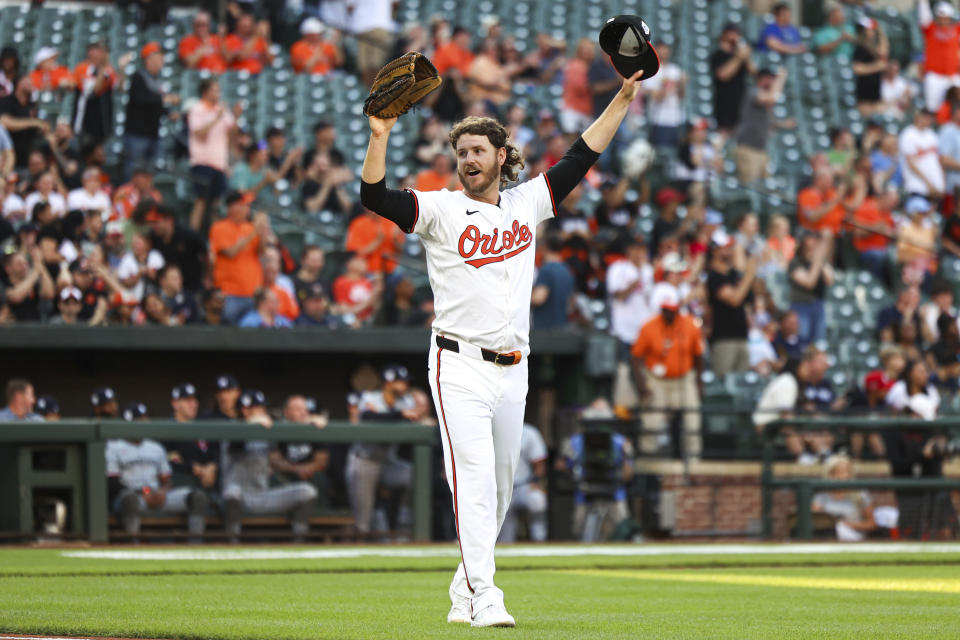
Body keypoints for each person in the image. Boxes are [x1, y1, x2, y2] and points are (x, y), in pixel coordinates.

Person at [359, 56, 646, 627]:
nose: (467, 159)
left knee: (502, 485)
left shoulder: (525, 204)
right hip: (458, 364)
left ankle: (463, 592)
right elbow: (376, 198)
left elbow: (582, 155)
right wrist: (380, 136)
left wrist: (621, 99)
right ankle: (487, 597)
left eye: (477, 151)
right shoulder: (441, 209)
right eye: (461, 152)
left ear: (500, 158)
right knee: (474, 480)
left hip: (515, 368)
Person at [222, 390, 318, 542]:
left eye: (262, 408)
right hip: (240, 498)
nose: (263, 412)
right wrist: (251, 423)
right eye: (258, 408)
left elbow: (279, 455)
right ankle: (232, 542)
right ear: (245, 410)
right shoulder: (231, 427)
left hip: (262, 495)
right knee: (231, 493)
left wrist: (311, 422)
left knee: (307, 491)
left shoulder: (266, 431)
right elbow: (235, 446)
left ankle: (298, 545)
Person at [632, 287, 704, 457]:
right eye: (666, 310)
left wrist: (699, 383)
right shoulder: (649, 326)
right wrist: (642, 384)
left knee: (692, 423)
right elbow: (635, 357)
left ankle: (693, 465)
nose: (669, 314)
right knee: (651, 424)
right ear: (661, 309)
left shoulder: (690, 325)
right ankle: (648, 469)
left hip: (683, 378)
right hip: (656, 380)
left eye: (672, 310)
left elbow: (699, 357)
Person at [346, 364, 417, 535]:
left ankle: (403, 525)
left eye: (406, 382)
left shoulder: (407, 401)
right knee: (363, 520)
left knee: (415, 476)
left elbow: (412, 420)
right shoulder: (369, 398)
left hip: (388, 460)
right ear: (388, 383)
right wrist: (399, 416)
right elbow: (368, 417)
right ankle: (359, 548)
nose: (405, 386)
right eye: (400, 382)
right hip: (364, 459)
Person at [106, 429, 209, 539]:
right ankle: (133, 544)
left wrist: (162, 491)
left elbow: (167, 479)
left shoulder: (155, 447)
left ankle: (196, 544)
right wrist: (142, 494)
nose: (141, 426)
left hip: (157, 495)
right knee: (130, 500)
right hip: (134, 496)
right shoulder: (114, 447)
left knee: (197, 497)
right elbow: (113, 482)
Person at [753, 346, 836, 462]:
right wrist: (805, 432)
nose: (807, 370)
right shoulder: (787, 381)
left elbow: (807, 409)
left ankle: (822, 454)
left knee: (815, 428)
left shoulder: (797, 383)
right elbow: (786, 414)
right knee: (790, 427)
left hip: (778, 423)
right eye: (804, 366)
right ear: (796, 367)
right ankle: (802, 457)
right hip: (765, 425)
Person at [188, 79, 242, 231]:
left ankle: (215, 235)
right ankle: (194, 234)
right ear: (205, 92)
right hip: (202, 161)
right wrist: (216, 118)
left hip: (219, 163)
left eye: (219, 90)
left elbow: (232, 134)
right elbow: (199, 133)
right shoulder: (197, 109)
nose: (218, 93)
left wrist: (236, 117)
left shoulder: (222, 110)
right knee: (201, 200)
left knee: (217, 203)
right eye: (215, 90)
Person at [209, 191, 269, 324]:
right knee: (230, 331)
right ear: (231, 207)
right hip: (230, 293)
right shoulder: (219, 227)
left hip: (253, 292)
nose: (247, 209)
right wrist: (254, 232)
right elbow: (231, 252)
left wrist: (263, 231)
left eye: (248, 206)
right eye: (243, 205)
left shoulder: (249, 227)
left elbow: (261, 252)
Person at [123, 42, 179, 180]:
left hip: (152, 134)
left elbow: (155, 104)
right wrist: (165, 99)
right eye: (159, 57)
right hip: (137, 135)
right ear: (149, 59)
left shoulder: (157, 80)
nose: (162, 61)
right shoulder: (139, 77)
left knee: (150, 175)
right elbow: (142, 99)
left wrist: (167, 112)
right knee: (133, 173)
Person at [707, 229, 755, 376]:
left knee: (743, 386)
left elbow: (749, 299)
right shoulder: (712, 276)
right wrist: (749, 274)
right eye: (725, 247)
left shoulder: (733, 275)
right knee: (724, 387)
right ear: (715, 251)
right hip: (723, 340)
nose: (730, 250)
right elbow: (734, 299)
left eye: (730, 246)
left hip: (741, 337)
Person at [733, 68, 787, 183]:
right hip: (747, 149)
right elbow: (771, 99)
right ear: (762, 79)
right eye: (771, 80)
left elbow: (768, 120)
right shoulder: (753, 91)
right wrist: (781, 78)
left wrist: (782, 124)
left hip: (761, 150)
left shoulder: (764, 98)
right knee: (751, 187)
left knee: (766, 188)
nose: (772, 84)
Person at [498, 423, 548, 543]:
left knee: (537, 499)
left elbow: (539, 464)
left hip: (522, 486)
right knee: (505, 536)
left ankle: (539, 540)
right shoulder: (490, 430)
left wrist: (537, 482)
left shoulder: (528, 432)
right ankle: (506, 548)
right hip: (499, 489)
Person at [812, 454, 880, 541]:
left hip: (855, 537)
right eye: (840, 472)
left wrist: (848, 525)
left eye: (848, 472)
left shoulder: (860, 494)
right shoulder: (821, 497)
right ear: (830, 474)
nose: (846, 476)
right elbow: (814, 521)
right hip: (828, 538)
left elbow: (872, 524)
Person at [72, 41, 128, 146]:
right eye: (101, 51)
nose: (105, 54)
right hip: (85, 124)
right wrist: (102, 68)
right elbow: (94, 90)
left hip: (104, 123)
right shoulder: (82, 68)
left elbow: (120, 88)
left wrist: (122, 68)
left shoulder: (109, 69)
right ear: (90, 53)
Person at [788, 231, 835, 345]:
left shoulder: (819, 261)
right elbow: (809, 282)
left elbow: (830, 280)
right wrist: (818, 260)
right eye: (811, 238)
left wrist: (820, 259)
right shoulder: (795, 262)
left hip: (818, 304)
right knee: (803, 339)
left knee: (820, 341)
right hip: (801, 306)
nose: (814, 242)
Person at [711, 23, 755, 137]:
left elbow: (754, 73)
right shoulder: (719, 55)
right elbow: (723, 74)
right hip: (724, 104)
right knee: (723, 135)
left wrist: (746, 56)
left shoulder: (739, 55)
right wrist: (739, 57)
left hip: (740, 103)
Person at [642, 43, 686, 148]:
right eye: (662, 49)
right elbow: (656, 97)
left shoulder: (675, 70)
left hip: (676, 118)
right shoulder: (651, 70)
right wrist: (668, 85)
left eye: (666, 49)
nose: (665, 52)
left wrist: (681, 84)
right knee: (660, 152)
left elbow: (681, 96)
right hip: (659, 119)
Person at [918, 0, 960, 111]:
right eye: (940, 16)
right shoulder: (930, 28)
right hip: (935, 75)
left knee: (956, 105)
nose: (943, 19)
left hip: (953, 75)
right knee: (933, 107)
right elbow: (924, 16)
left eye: (945, 17)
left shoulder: (956, 29)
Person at [347, 0, 396, 86]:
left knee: (367, 65)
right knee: (375, 64)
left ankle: (371, 93)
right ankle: (375, 93)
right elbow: (395, 4)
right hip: (379, 25)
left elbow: (350, 7)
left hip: (363, 27)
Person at [899, 108, 945, 200]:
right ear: (917, 117)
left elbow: (939, 161)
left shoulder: (932, 134)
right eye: (925, 117)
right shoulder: (908, 134)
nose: (928, 120)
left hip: (936, 187)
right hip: (917, 186)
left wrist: (942, 183)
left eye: (930, 118)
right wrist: (929, 184)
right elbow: (911, 164)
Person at [531, 233, 574, 330]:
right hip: (562, 326)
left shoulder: (547, 269)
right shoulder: (566, 270)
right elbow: (571, 303)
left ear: (545, 247)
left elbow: (538, 298)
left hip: (545, 328)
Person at [851, 18, 889, 117]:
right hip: (865, 93)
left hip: (876, 92)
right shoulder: (860, 48)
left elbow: (884, 52)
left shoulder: (874, 46)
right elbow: (857, 69)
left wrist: (880, 32)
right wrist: (876, 67)